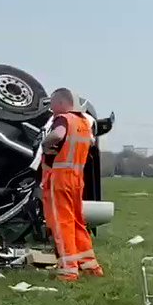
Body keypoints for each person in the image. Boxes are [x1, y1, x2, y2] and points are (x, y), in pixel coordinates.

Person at [41, 88, 102, 281]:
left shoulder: (63, 120)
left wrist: (45, 144)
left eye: (52, 103)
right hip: (77, 179)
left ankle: (68, 270)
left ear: (60, 103)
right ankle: (90, 266)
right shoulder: (84, 122)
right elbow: (90, 143)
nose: (51, 108)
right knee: (77, 222)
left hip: (60, 178)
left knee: (61, 223)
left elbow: (57, 136)